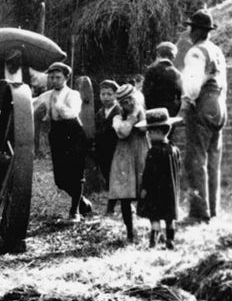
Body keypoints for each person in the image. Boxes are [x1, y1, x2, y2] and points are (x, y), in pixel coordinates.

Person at [178, 10, 227, 222]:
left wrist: (184, 106)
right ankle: (212, 209)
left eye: (190, 28)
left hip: (204, 105)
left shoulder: (196, 52)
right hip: (219, 106)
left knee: (195, 160)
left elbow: (192, 84)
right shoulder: (216, 50)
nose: (188, 31)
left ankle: (199, 212)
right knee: (213, 159)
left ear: (197, 30)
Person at [33, 62, 92, 221]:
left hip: (73, 133)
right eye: (51, 77)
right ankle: (82, 201)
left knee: (75, 173)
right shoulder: (47, 95)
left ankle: (75, 212)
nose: (54, 80)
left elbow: (70, 113)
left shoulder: (73, 95)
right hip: (57, 134)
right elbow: (32, 104)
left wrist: (58, 103)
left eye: (58, 77)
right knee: (60, 179)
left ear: (66, 78)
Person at [136, 108, 183, 249]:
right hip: (170, 191)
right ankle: (170, 240)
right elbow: (178, 168)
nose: (148, 135)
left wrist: (144, 188)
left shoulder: (153, 152)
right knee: (169, 217)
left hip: (155, 192)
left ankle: (153, 241)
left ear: (157, 132)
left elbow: (148, 173)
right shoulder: (174, 149)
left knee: (154, 216)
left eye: (150, 132)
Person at [108, 83, 149, 244]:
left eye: (131, 100)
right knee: (125, 194)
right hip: (124, 156)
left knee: (144, 190)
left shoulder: (141, 112)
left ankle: (152, 230)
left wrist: (139, 115)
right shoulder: (117, 118)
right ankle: (130, 232)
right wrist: (132, 117)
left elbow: (144, 129)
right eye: (124, 102)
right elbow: (124, 132)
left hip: (141, 152)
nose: (129, 104)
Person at [93, 79, 122, 214]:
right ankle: (116, 203)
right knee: (107, 174)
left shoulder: (119, 111)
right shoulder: (99, 113)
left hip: (116, 149)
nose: (105, 97)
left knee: (115, 176)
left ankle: (112, 206)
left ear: (116, 95)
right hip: (103, 150)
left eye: (109, 94)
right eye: (103, 94)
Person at [142, 41, 183, 116]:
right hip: (170, 113)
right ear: (173, 57)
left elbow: (145, 93)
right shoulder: (177, 74)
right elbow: (180, 96)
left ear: (158, 54)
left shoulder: (151, 70)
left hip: (152, 111)